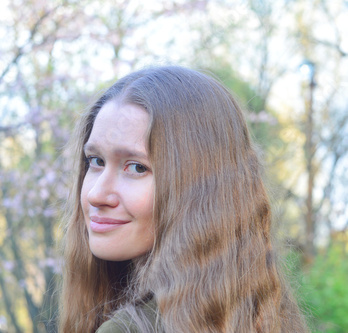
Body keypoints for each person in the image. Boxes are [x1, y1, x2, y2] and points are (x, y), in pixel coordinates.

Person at [58, 66, 308, 332]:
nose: (96, 194)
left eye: (137, 167)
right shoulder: (266, 319)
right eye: (95, 161)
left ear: (200, 191)